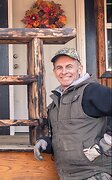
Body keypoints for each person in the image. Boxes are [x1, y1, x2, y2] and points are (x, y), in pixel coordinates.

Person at [33, 48, 112, 180]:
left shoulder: (92, 91)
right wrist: (45, 143)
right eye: (59, 68)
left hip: (94, 173)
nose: (64, 72)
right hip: (67, 174)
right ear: (54, 72)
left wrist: (105, 144)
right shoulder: (55, 103)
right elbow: (67, 136)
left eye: (69, 66)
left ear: (79, 69)